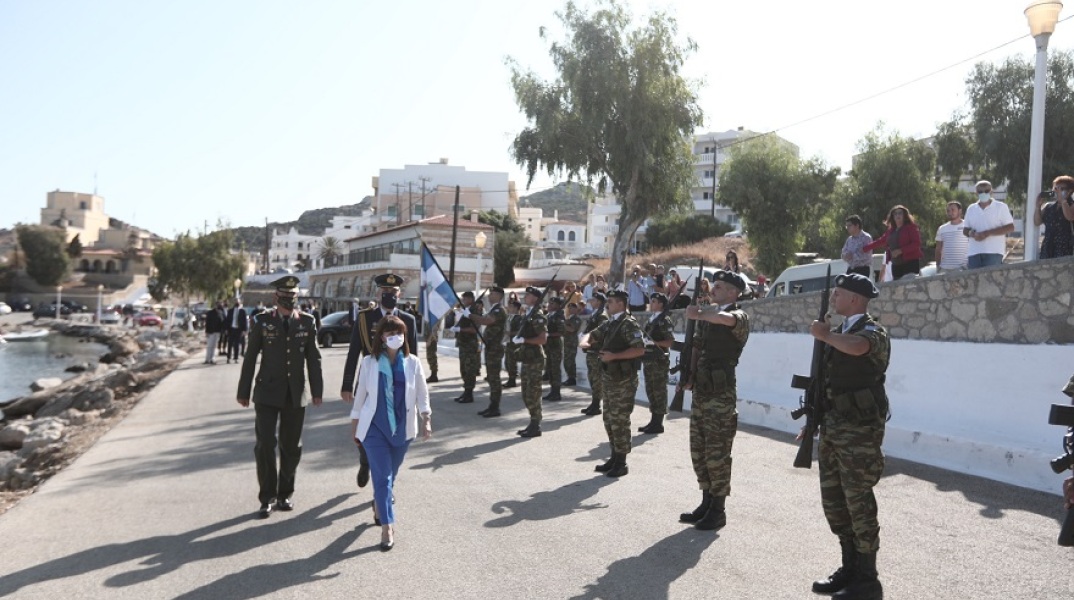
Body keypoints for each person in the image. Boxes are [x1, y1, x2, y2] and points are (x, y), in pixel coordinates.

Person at [807, 273, 889, 599]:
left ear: (855, 299)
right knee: (835, 504)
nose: (833, 299)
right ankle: (850, 567)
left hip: (859, 434)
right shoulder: (837, 332)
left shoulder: (873, 332)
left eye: (838, 294)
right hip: (832, 428)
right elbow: (825, 381)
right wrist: (812, 421)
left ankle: (867, 580)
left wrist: (825, 336)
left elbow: (858, 348)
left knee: (859, 504)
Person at [236, 276, 324, 518]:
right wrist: (243, 391)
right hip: (266, 393)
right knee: (265, 444)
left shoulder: (306, 322)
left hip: (295, 394)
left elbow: (313, 359)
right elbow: (250, 357)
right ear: (276, 297)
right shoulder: (262, 322)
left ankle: (285, 494)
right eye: (285, 296)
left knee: (291, 447)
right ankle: (267, 497)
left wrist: (317, 391)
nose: (289, 300)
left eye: (293, 296)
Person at [349, 315, 432, 551]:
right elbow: (361, 395)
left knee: (390, 477)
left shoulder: (412, 362)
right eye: (389, 334)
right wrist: (355, 424)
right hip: (375, 428)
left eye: (399, 333)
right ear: (381, 338)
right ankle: (387, 526)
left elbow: (422, 393)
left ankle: (379, 502)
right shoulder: (369, 362)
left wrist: (426, 419)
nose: (395, 337)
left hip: (402, 429)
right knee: (382, 478)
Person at [678, 270, 749, 531]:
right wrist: (690, 373)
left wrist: (699, 313)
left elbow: (726, 319)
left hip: (721, 396)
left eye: (719, 287)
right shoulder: (709, 316)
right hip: (702, 390)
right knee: (699, 450)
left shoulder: (738, 317)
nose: (713, 290)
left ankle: (718, 510)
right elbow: (696, 346)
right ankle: (706, 501)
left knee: (717, 454)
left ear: (733, 292)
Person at [341, 273, 417, 490]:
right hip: (370, 386)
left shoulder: (408, 321)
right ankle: (366, 461)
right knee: (365, 429)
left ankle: (383, 491)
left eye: (393, 293)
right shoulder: (365, 319)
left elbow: (413, 360)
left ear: (399, 294)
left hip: (398, 388)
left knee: (393, 435)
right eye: (385, 292)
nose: (389, 296)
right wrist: (347, 384)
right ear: (378, 293)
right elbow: (353, 351)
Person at [583, 289, 644, 477]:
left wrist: (614, 356)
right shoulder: (611, 323)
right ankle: (614, 456)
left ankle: (622, 462)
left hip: (624, 381)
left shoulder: (628, 324)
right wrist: (585, 342)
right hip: (610, 378)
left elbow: (640, 349)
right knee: (609, 419)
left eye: (610, 301)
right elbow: (591, 334)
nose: (607, 304)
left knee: (620, 421)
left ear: (620, 304)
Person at [513, 287, 548, 437]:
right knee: (526, 393)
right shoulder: (528, 314)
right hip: (527, 357)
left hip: (535, 359)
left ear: (535, 298)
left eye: (528, 295)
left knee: (533, 393)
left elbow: (542, 339)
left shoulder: (538, 316)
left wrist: (524, 340)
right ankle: (533, 422)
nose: (525, 296)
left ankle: (536, 424)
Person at [638, 292, 675, 435]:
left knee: (658, 391)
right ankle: (653, 420)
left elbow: (670, 341)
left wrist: (654, 342)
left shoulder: (664, 320)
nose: (651, 303)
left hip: (659, 360)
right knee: (651, 390)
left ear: (661, 304)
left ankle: (658, 423)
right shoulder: (652, 319)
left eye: (654, 301)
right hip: (649, 359)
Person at [470, 287, 508, 417]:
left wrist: (470, 315)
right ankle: (492, 405)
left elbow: (487, 321)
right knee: (491, 378)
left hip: (495, 348)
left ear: (499, 295)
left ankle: (495, 407)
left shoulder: (499, 310)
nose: (490, 295)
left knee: (494, 378)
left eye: (492, 293)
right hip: (491, 347)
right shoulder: (493, 309)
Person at [963, 180, 1015, 269]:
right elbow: (965, 230)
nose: (984, 193)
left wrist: (987, 233)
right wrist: (972, 234)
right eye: (980, 191)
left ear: (991, 192)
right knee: (974, 281)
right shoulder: (971, 208)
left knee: (991, 281)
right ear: (976, 193)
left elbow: (1010, 227)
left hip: (994, 252)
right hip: (974, 253)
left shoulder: (1001, 207)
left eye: (986, 191)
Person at [864, 205, 923, 280]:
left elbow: (916, 244)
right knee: (898, 289)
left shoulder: (911, 227)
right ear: (892, 216)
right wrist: (864, 249)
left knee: (910, 287)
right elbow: (881, 241)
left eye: (900, 213)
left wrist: (901, 250)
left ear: (905, 215)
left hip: (910, 263)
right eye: (895, 214)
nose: (898, 215)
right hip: (896, 264)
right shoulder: (891, 231)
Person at [579, 292, 608, 416]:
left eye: (594, 300)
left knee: (597, 378)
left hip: (596, 350)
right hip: (591, 350)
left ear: (600, 302)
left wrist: (588, 340)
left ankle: (596, 404)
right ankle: (594, 403)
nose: (591, 301)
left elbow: (601, 333)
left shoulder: (602, 316)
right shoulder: (594, 314)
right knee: (592, 377)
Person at [451, 291, 481, 404]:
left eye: (464, 299)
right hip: (463, 344)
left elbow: (475, 329)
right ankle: (466, 391)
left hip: (470, 344)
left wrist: (460, 330)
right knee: (463, 369)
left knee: (470, 369)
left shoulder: (475, 310)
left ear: (470, 299)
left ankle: (469, 393)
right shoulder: (465, 310)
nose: (463, 301)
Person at [1036, 175, 1074, 259]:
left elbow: (1070, 217)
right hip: (1047, 248)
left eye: (1061, 188)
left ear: (1070, 191)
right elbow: (1037, 222)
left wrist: (1063, 201)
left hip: (1065, 249)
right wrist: (1038, 207)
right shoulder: (1049, 206)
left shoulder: (1072, 205)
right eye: (1055, 188)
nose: (1057, 191)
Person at [935, 201, 969, 272]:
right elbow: (938, 249)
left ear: (960, 211)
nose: (950, 212)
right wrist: (938, 266)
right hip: (944, 269)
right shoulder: (942, 229)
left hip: (962, 268)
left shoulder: (967, 225)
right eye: (948, 211)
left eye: (953, 210)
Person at [543, 296, 566, 402]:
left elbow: (562, 332)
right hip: (548, 346)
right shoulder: (548, 315)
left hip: (555, 346)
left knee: (555, 370)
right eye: (549, 303)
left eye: (552, 304)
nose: (549, 305)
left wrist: (549, 335)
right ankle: (552, 391)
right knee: (550, 369)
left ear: (558, 305)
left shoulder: (559, 317)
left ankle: (556, 393)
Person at [562, 302, 583, 387]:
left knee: (570, 361)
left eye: (572, 308)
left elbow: (572, 329)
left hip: (572, 342)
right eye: (569, 308)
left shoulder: (576, 319)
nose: (570, 310)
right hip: (567, 341)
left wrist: (563, 324)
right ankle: (569, 377)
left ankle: (572, 378)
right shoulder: (568, 318)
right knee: (566, 361)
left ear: (576, 309)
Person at [503, 300, 522, 388]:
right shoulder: (509, 317)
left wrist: (510, 333)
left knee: (512, 362)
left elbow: (520, 331)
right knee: (508, 362)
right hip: (508, 342)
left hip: (514, 343)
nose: (509, 308)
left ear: (515, 308)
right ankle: (511, 378)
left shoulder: (519, 318)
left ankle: (512, 380)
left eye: (511, 306)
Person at [225, 300, 249, 364]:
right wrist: (226, 329)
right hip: (231, 329)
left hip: (239, 330)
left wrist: (244, 330)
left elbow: (245, 321)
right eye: (236, 302)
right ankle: (228, 358)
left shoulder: (243, 311)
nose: (237, 303)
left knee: (237, 345)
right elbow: (227, 321)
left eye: (238, 302)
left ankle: (236, 358)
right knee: (230, 344)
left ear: (240, 303)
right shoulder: (230, 311)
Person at [425, 319, 440, 384]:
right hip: (431, 338)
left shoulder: (434, 317)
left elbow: (434, 329)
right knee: (430, 356)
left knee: (431, 356)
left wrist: (429, 339)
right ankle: (433, 374)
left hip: (432, 339)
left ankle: (434, 375)